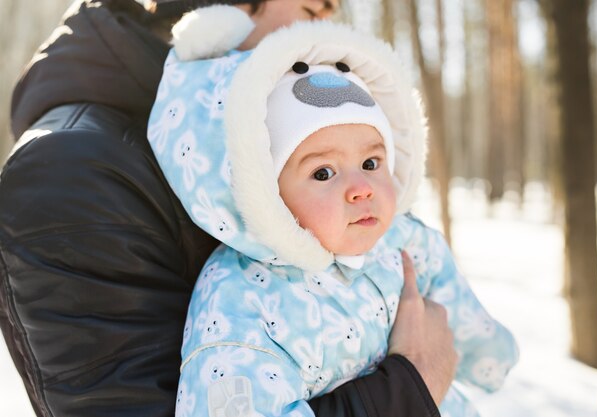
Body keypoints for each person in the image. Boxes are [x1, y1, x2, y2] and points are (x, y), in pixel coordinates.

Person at [0, 0, 457, 416]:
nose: (326, 27)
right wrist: (411, 384)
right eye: (314, 10)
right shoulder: (70, 174)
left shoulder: (267, 132)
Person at [148, 8, 519, 417]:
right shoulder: (243, 302)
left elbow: (451, 302)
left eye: (372, 163)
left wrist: (491, 356)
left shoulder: (402, 241)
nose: (361, 189)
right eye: (323, 172)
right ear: (265, 194)